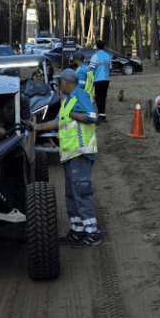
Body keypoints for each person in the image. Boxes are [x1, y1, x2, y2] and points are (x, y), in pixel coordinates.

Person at [33, 68, 101, 247]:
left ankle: (93, 233)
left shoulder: (80, 95)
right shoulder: (67, 101)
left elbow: (92, 117)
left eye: (59, 82)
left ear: (66, 82)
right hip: (70, 155)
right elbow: (58, 122)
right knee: (71, 193)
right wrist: (36, 128)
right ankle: (77, 230)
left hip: (80, 152)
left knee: (81, 191)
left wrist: (73, 115)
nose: (58, 85)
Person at [89, 40, 112, 124]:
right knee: (103, 97)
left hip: (98, 79)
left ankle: (100, 116)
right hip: (106, 79)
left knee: (98, 97)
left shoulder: (95, 56)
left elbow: (91, 68)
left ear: (97, 47)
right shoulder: (108, 56)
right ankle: (102, 114)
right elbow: (110, 67)